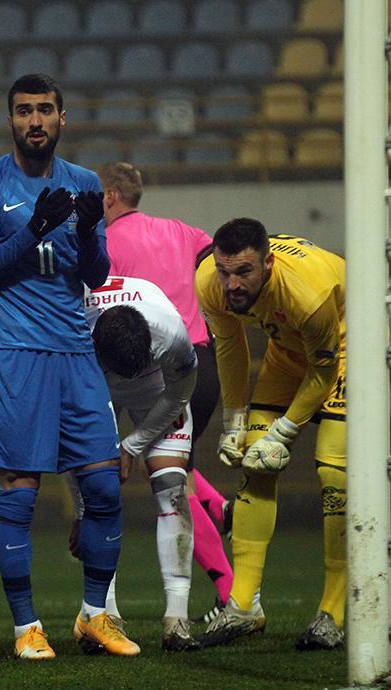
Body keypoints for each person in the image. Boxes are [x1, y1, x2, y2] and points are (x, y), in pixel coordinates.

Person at [0, 74, 139, 660]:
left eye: (44, 110)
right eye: (23, 111)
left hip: (76, 353)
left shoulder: (84, 182)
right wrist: (35, 227)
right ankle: (26, 628)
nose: (34, 121)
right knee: (20, 494)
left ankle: (94, 616)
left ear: (63, 118)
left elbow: (96, 274)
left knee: (105, 487)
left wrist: (86, 229)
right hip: (16, 353)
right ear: (10, 119)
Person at [194, 218, 347, 651]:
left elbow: (322, 372)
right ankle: (244, 606)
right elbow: (230, 346)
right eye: (225, 271)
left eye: (244, 272)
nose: (232, 284)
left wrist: (283, 432)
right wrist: (235, 422)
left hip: (344, 347)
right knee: (254, 464)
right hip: (288, 350)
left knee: (334, 474)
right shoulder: (209, 281)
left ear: (268, 264)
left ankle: (333, 612)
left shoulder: (307, 294)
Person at [96, 161, 233, 624]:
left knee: (170, 479)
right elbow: (214, 259)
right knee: (176, 468)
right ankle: (220, 511)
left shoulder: (106, 243)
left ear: (110, 197)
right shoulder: (180, 230)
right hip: (200, 356)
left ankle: (230, 592)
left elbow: (109, 318)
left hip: (155, 364)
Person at [76, 275, 203, 651]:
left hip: (156, 388)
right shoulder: (73, 333)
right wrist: (80, 512)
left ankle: (177, 619)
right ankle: (103, 614)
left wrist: (132, 445)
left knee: (172, 487)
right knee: (95, 492)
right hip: (95, 386)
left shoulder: (171, 334)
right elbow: (72, 440)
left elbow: (180, 393)